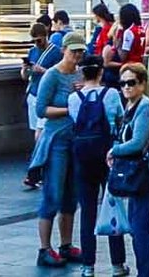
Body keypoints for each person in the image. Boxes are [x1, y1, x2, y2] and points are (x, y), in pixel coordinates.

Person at [68, 58, 125, 277]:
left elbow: (74, 122)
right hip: (107, 154)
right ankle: (117, 264)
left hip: (82, 157)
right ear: (101, 72)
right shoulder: (111, 95)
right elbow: (120, 119)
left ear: (82, 73)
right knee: (112, 206)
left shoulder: (74, 98)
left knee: (87, 212)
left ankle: (88, 265)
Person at [110, 62, 149, 277]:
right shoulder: (131, 105)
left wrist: (114, 150)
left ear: (142, 84)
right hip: (138, 173)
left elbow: (138, 143)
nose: (126, 87)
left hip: (148, 173)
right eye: (122, 83)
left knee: (139, 226)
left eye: (131, 83)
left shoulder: (145, 107)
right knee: (135, 224)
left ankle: (146, 272)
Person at [33, 40, 86, 267]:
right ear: (64, 50)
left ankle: (66, 244)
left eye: (81, 52)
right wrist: (69, 108)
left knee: (71, 195)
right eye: (74, 51)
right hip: (56, 141)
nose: (77, 56)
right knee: (52, 194)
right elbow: (41, 109)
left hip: (75, 141)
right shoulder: (52, 76)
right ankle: (44, 248)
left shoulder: (81, 75)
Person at [23, 22, 62, 190]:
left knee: (40, 133)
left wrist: (42, 70)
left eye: (39, 41)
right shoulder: (32, 52)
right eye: (34, 41)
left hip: (45, 97)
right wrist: (26, 69)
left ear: (45, 36)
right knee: (37, 132)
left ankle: (36, 168)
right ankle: (38, 168)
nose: (36, 44)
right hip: (33, 94)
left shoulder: (55, 52)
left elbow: (59, 73)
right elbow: (24, 76)